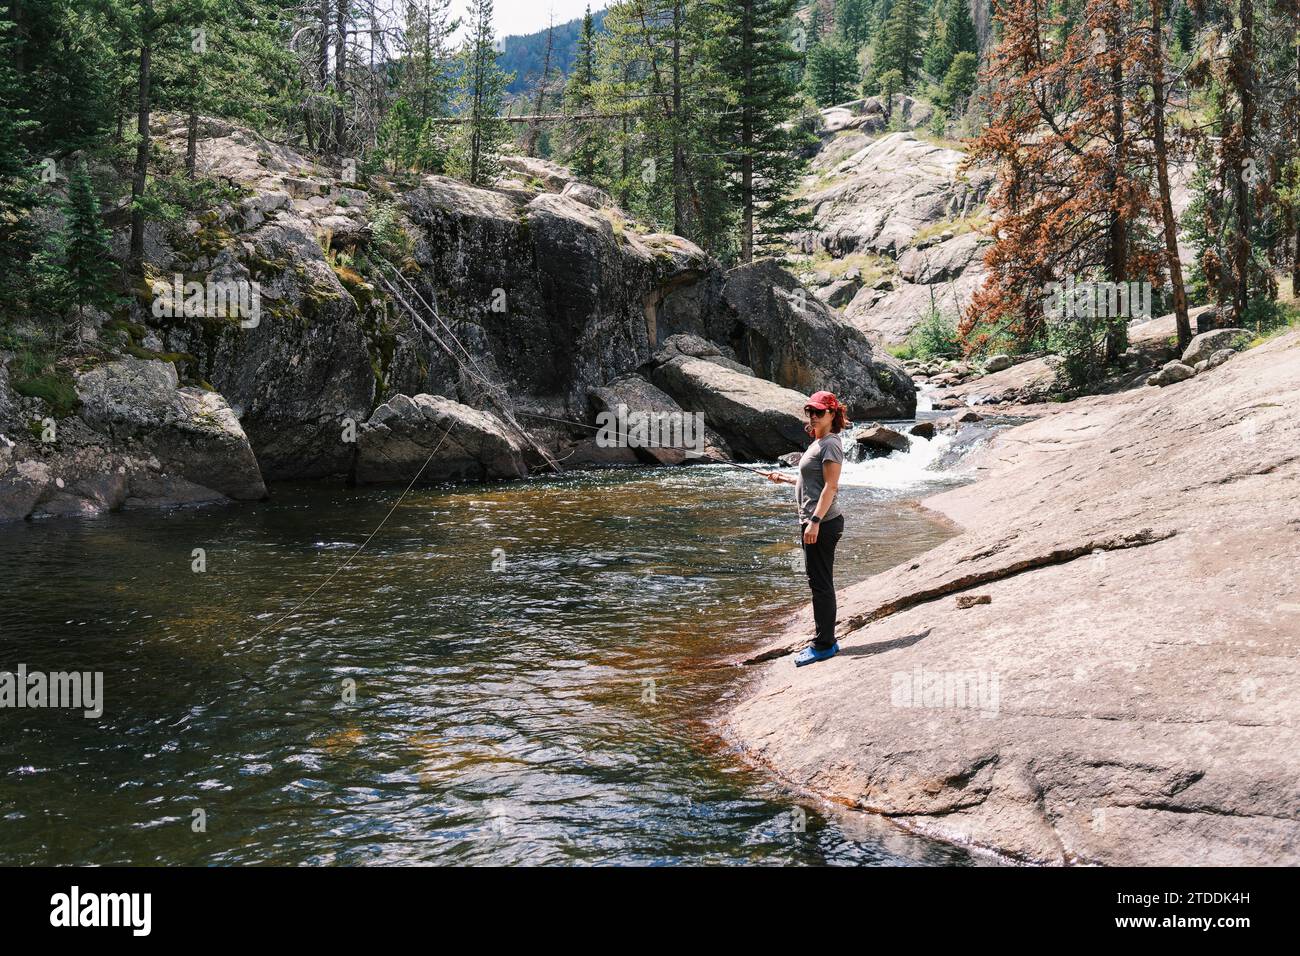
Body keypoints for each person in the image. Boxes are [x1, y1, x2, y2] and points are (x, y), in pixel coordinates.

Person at [767, 391, 849, 666]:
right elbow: (813, 481)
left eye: (819, 412)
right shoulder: (819, 442)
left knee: (821, 585)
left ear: (832, 414)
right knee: (819, 582)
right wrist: (786, 479)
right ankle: (825, 639)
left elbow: (831, 486)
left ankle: (825, 644)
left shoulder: (830, 444)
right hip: (816, 520)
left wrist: (813, 522)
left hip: (822, 523)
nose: (813, 416)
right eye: (810, 411)